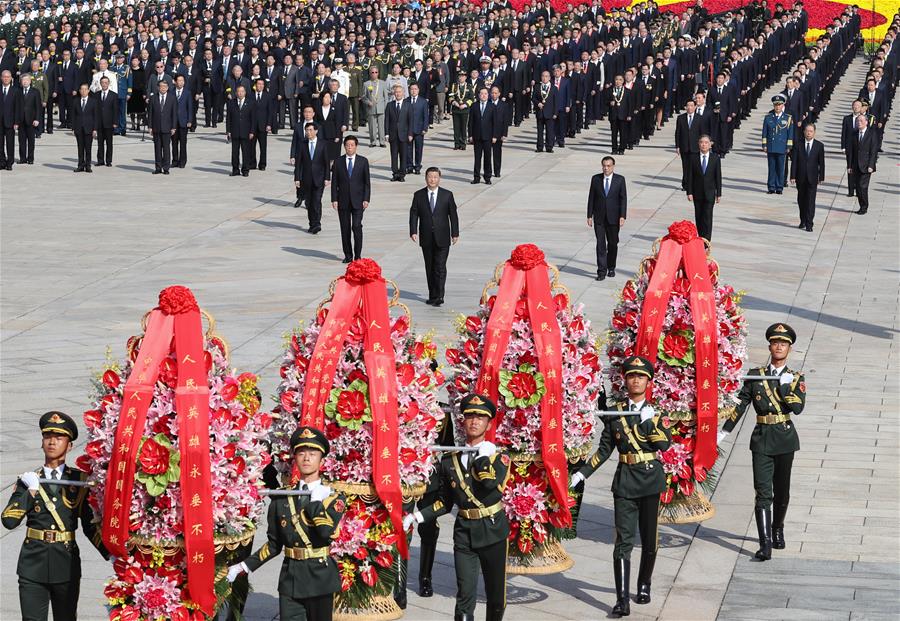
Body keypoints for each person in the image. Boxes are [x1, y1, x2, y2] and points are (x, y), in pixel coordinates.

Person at [570, 356, 672, 617]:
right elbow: (604, 449)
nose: (636, 380)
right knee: (623, 541)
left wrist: (649, 422)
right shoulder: (616, 412)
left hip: (650, 480)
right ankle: (622, 599)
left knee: (649, 539)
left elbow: (664, 446)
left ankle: (644, 584)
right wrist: (582, 474)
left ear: (648, 381)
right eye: (631, 376)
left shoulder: (657, 412)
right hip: (625, 481)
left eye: (641, 376)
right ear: (625, 380)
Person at [405, 394, 510, 621]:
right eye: (470, 416)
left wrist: (483, 457)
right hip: (464, 532)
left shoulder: (498, 457)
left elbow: (490, 482)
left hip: (492, 530)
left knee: (495, 596)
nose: (474, 421)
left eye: (481, 417)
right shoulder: (449, 460)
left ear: (489, 424)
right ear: (463, 420)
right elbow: (444, 502)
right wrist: (417, 517)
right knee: (464, 595)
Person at [226, 426, 345, 621]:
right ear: (295, 459)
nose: (306, 458)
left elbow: (325, 532)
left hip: (320, 578)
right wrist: (244, 567)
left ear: (322, 461)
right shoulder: (282, 498)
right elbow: (274, 545)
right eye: (301, 453)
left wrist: (315, 502)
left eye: (312, 454)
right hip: (291, 578)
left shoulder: (333, 497)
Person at [2, 411, 109, 621]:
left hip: (65, 563)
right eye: (48, 437)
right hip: (33, 564)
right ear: (42, 442)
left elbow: (89, 526)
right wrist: (31, 491)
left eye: (59, 438)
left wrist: (110, 553)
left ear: (69, 446)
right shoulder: (29, 480)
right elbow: (8, 520)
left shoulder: (78, 481)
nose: (52, 442)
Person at [717, 324, 805, 562]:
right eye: (776, 343)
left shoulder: (796, 377)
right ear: (770, 346)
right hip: (762, 438)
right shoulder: (756, 375)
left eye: (784, 344)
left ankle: (778, 528)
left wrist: (786, 386)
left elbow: (797, 408)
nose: (779, 346)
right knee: (763, 491)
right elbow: (741, 405)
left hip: (785, 438)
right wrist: (725, 431)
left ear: (789, 349)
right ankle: (765, 543)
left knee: (782, 491)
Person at [409, 166, 460, 307]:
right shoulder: (418, 195)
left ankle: (440, 295)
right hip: (426, 237)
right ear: (426, 178)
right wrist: (413, 231)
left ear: (439, 178)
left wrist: (455, 233)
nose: (432, 179)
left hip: (443, 236)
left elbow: (453, 215)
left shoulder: (447, 195)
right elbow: (414, 214)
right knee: (430, 267)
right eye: (430, 177)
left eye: (435, 177)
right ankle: (432, 295)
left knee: (440, 266)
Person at [330, 135, 371, 263]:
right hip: (343, 200)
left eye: (352, 145)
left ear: (356, 146)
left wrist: (366, 199)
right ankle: (348, 255)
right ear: (344, 147)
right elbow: (334, 182)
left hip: (358, 200)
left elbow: (366, 183)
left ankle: (358, 255)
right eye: (347, 145)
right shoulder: (338, 162)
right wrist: (334, 199)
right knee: (345, 228)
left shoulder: (363, 161)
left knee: (356, 226)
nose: (350, 147)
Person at [587, 156, 627, 281]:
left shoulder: (620, 180)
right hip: (599, 218)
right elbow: (591, 198)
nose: (606, 168)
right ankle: (601, 271)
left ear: (613, 166)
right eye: (604, 165)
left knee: (613, 244)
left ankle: (611, 267)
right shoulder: (596, 179)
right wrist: (589, 215)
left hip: (614, 218)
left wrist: (622, 216)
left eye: (608, 166)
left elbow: (623, 199)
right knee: (600, 244)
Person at [685, 135, 722, 241]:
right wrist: (689, 192)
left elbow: (718, 177)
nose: (703, 144)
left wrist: (718, 193)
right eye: (701, 142)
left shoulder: (715, 158)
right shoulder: (693, 158)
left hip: (710, 193)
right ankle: (700, 239)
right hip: (697, 193)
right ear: (698, 144)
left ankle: (706, 241)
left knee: (708, 217)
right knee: (699, 217)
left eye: (706, 142)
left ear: (710, 145)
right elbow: (690, 176)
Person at [789, 123, 825, 231]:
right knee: (801, 199)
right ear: (804, 132)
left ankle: (809, 223)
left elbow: (821, 163)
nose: (809, 133)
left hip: (812, 178)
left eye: (811, 131)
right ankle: (803, 220)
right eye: (807, 131)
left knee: (810, 201)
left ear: (814, 133)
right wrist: (792, 176)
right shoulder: (798, 144)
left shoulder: (819, 145)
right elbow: (794, 161)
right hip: (800, 177)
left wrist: (821, 177)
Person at [295, 121, 329, 234]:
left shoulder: (323, 144)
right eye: (306, 130)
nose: (308, 132)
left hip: (319, 178)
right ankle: (311, 223)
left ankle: (317, 223)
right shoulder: (302, 144)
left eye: (310, 130)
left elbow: (326, 163)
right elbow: (299, 163)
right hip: (306, 178)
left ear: (316, 131)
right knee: (309, 202)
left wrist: (327, 177)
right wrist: (297, 178)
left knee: (317, 201)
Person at [846, 114, 878, 215]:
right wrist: (849, 166)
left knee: (862, 186)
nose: (859, 123)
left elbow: (873, 151)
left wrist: (871, 165)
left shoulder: (871, 134)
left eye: (861, 121)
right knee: (858, 187)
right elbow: (851, 152)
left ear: (866, 122)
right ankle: (861, 205)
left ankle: (864, 206)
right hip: (855, 165)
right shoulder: (854, 134)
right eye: (857, 121)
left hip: (866, 165)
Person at [761, 94, 793, 195]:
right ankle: (771, 187)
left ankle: (779, 187)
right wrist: (764, 145)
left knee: (780, 168)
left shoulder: (787, 118)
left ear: (783, 105)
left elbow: (790, 134)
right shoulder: (768, 117)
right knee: (771, 168)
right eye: (776, 105)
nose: (777, 107)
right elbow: (764, 132)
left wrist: (789, 146)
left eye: (779, 105)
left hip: (781, 146)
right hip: (771, 146)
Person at [468, 86, 495, 185]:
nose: (483, 95)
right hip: (477, 136)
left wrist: (495, 136)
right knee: (477, 158)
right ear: (478, 95)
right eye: (481, 94)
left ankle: (487, 177)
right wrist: (470, 135)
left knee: (487, 158)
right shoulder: (474, 106)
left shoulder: (491, 106)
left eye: (485, 94)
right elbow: (470, 122)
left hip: (488, 136)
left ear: (488, 96)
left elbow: (494, 122)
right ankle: (476, 177)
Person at [148, 79, 176, 174]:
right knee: (157, 148)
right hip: (156, 127)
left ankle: (166, 168)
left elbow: (174, 114)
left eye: (165, 86)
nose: (163, 88)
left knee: (166, 148)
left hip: (167, 127)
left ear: (168, 88)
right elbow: (150, 113)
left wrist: (173, 127)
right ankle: (158, 167)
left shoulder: (172, 98)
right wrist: (150, 126)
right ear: (158, 87)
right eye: (161, 86)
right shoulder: (153, 98)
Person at [385, 83, 411, 182]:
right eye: (396, 92)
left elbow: (410, 121)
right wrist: (386, 133)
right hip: (393, 135)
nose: (398, 94)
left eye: (399, 92)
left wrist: (410, 134)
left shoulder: (408, 105)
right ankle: (395, 173)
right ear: (394, 94)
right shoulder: (390, 105)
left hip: (404, 135)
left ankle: (402, 174)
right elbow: (387, 120)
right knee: (394, 155)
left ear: (403, 93)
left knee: (403, 156)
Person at [226, 84, 254, 177]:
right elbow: (228, 118)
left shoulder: (250, 103)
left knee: (246, 152)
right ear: (236, 93)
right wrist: (228, 130)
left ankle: (245, 170)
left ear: (245, 92)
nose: (240, 93)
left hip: (246, 131)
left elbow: (253, 119)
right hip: (235, 131)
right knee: (235, 153)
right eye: (238, 91)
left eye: (242, 91)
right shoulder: (231, 103)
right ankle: (235, 169)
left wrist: (252, 131)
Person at [674, 100, 701, 190]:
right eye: (688, 106)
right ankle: (685, 184)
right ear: (685, 107)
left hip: (695, 147)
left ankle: (693, 184)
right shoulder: (681, 118)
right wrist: (677, 146)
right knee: (685, 166)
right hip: (684, 146)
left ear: (695, 107)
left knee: (694, 167)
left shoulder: (699, 118)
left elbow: (702, 133)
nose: (689, 107)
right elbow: (678, 132)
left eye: (691, 105)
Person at [71, 83, 97, 173]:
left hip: (89, 128)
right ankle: (80, 165)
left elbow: (95, 116)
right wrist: (73, 128)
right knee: (80, 148)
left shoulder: (93, 101)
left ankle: (88, 165)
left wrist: (95, 129)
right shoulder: (76, 101)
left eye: (85, 89)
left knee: (88, 148)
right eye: (82, 89)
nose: (83, 91)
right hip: (79, 128)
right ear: (79, 91)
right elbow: (73, 115)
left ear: (88, 91)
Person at [249, 78, 274, 170]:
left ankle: (262, 164)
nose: (260, 86)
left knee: (263, 147)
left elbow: (270, 111)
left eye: (262, 84)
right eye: (259, 84)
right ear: (255, 85)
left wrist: (269, 124)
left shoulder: (268, 96)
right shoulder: (250, 95)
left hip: (263, 125)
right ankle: (252, 163)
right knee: (251, 146)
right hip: (252, 126)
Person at [94, 75, 118, 167]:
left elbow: (116, 110)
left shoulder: (113, 95)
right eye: (102, 83)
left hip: (109, 122)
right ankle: (100, 160)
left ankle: (108, 161)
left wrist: (115, 122)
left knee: (109, 143)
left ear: (108, 83)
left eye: (106, 82)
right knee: (100, 143)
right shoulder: (96, 95)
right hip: (99, 123)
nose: (104, 84)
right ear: (100, 84)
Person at [17, 72, 40, 164]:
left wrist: (37, 119)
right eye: (23, 80)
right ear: (21, 82)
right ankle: (22, 158)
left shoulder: (35, 92)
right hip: (21, 120)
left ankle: (30, 158)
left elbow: (38, 107)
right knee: (21, 141)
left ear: (30, 81)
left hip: (31, 120)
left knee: (31, 141)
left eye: (27, 80)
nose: (25, 82)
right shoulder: (18, 91)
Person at [406, 82, 428, 175]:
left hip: (419, 129)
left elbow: (425, 116)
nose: (413, 91)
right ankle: (409, 166)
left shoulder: (423, 101)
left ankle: (418, 166)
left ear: (418, 90)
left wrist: (425, 128)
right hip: (408, 130)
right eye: (412, 89)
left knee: (419, 149)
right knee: (408, 149)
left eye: (415, 89)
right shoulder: (406, 101)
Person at [362, 67, 388, 147]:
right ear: (370, 73)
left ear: (378, 73)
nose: (374, 74)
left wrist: (384, 108)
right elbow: (363, 97)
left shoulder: (383, 83)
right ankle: (373, 141)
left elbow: (386, 97)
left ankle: (382, 142)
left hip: (381, 108)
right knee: (372, 126)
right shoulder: (366, 84)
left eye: (376, 72)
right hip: (371, 108)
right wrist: (367, 102)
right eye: (372, 72)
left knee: (381, 126)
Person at [448, 72, 473, 150]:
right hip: (456, 109)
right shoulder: (454, 86)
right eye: (460, 76)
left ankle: (463, 144)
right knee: (456, 128)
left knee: (463, 127)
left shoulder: (469, 86)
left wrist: (465, 105)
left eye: (463, 76)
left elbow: (472, 99)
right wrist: (454, 103)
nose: (461, 78)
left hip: (465, 110)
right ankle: (456, 144)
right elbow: (450, 97)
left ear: (465, 77)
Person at [171, 74, 192, 168]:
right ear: (175, 82)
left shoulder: (187, 93)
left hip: (184, 121)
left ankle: (183, 161)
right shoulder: (171, 92)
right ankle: (175, 160)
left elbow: (190, 108)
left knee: (183, 143)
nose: (181, 82)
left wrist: (190, 120)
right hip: (173, 122)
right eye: (179, 80)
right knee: (174, 142)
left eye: (182, 80)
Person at [489, 85, 510, 178]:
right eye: (492, 93)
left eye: (496, 93)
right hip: (488, 133)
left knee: (497, 153)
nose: (494, 95)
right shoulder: (487, 103)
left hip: (499, 132)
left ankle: (497, 171)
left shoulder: (504, 105)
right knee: (487, 154)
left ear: (499, 94)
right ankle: (488, 171)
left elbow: (506, 121)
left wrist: (504, 134)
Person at [0, 69, 19, 170]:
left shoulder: (15, 90)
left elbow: (18, 108)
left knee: (10, 143)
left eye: (8, 77)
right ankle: (2, 161)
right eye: (4, 76)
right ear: (1, 78)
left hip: (10, 122)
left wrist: (16, 122)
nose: (6, 78)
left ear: (11, 78)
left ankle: (9, 162)